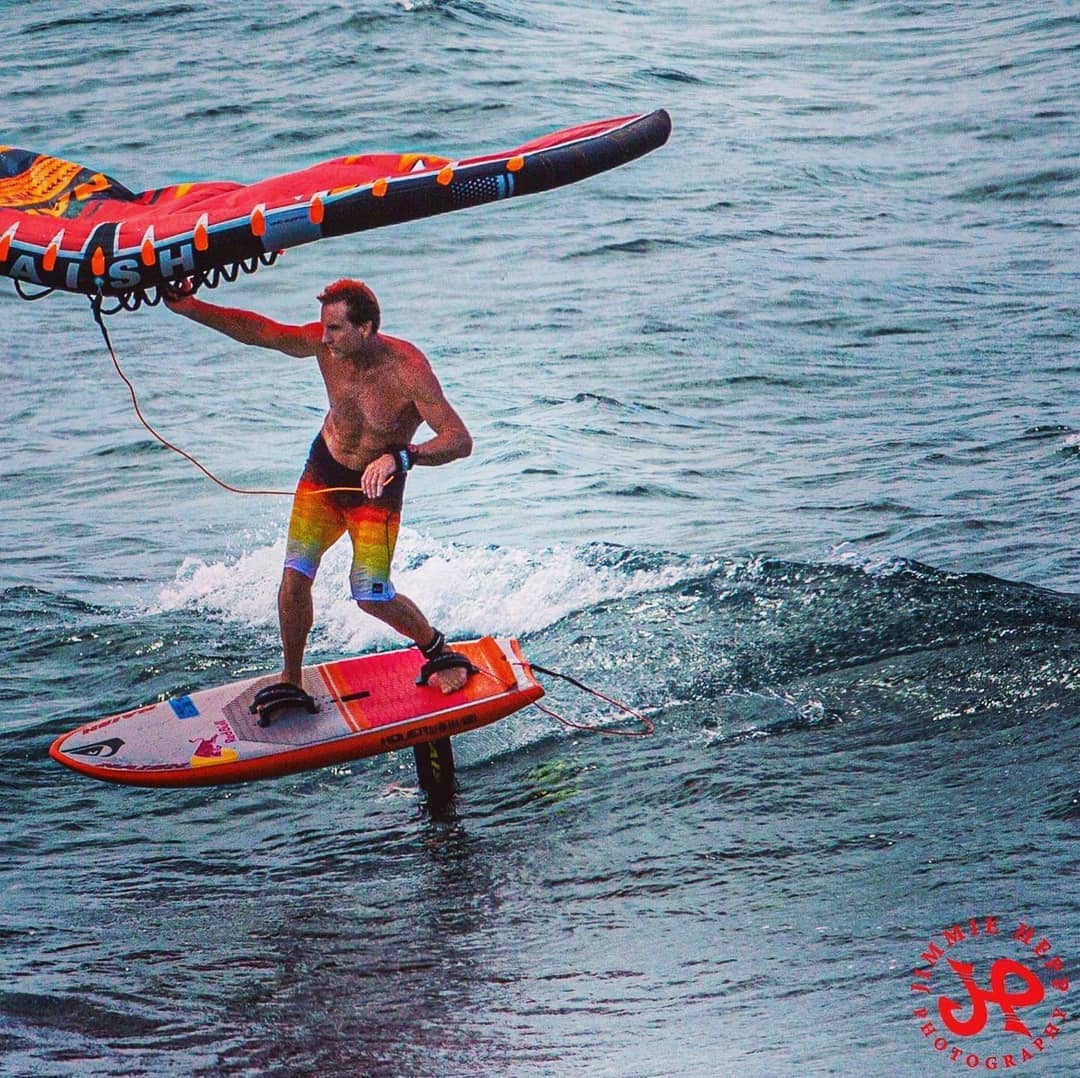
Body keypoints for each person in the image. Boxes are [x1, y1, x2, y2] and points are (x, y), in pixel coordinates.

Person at [164, 278, 475, 721]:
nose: (323, 337)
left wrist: (401, 457)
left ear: (365, 328)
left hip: (376, 491)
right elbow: (261, 331)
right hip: (323, 475)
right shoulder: (324, 348)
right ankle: (292, 678)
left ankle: (438, 650)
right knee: (295, 575)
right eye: (323, 328)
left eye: (334, 329)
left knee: (370, 594)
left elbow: (459, 440)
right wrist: (189, 306)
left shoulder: (408, 369)